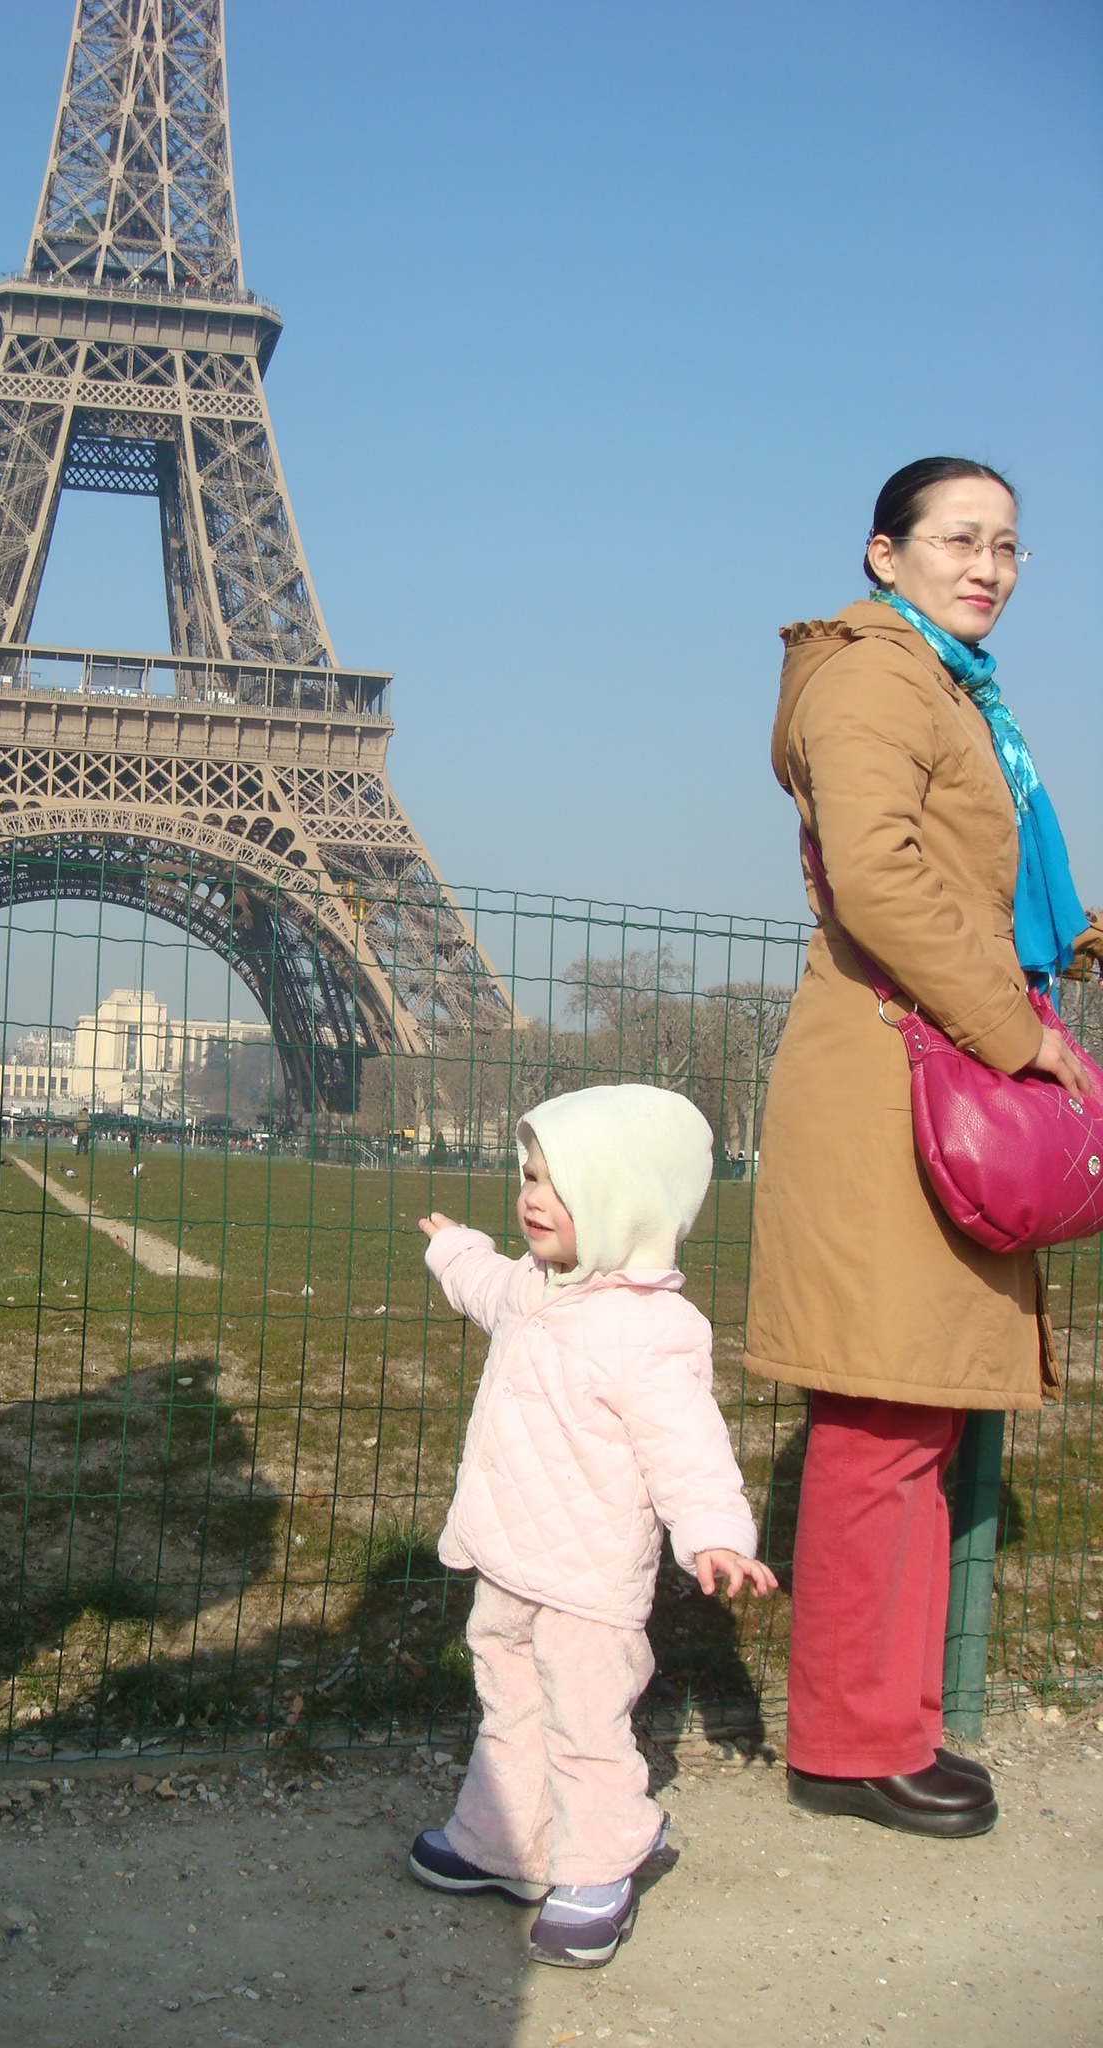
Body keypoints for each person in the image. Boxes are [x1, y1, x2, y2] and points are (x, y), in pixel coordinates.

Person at [743, 458, 1100, 1841]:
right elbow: (883, 873)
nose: (991, 566)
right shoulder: (878, 677)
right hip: (898, 1077)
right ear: (884, 553)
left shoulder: (951, 688)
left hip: (925, 1065)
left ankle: (880, 1728)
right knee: (883, 1421)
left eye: (1009, 545)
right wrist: (1023, 1029)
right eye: (961, 539)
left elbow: (979, 882)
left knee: (915, 1422)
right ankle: (849, 1744)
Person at [408, 1085, 776, 1969]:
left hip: (588, 1582)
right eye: (529, 1175)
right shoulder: (533, 1288)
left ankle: (604, 1858)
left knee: (584, 1722)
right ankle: (506, 1843)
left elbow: (689, 1450)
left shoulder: (651, 1332)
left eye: (559, 1186)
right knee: (507, 1702)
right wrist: (454, 1246)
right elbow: (483, 1284)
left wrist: (717, 1531)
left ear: (623, 1205)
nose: (533, 1197)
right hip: (508, 1559)